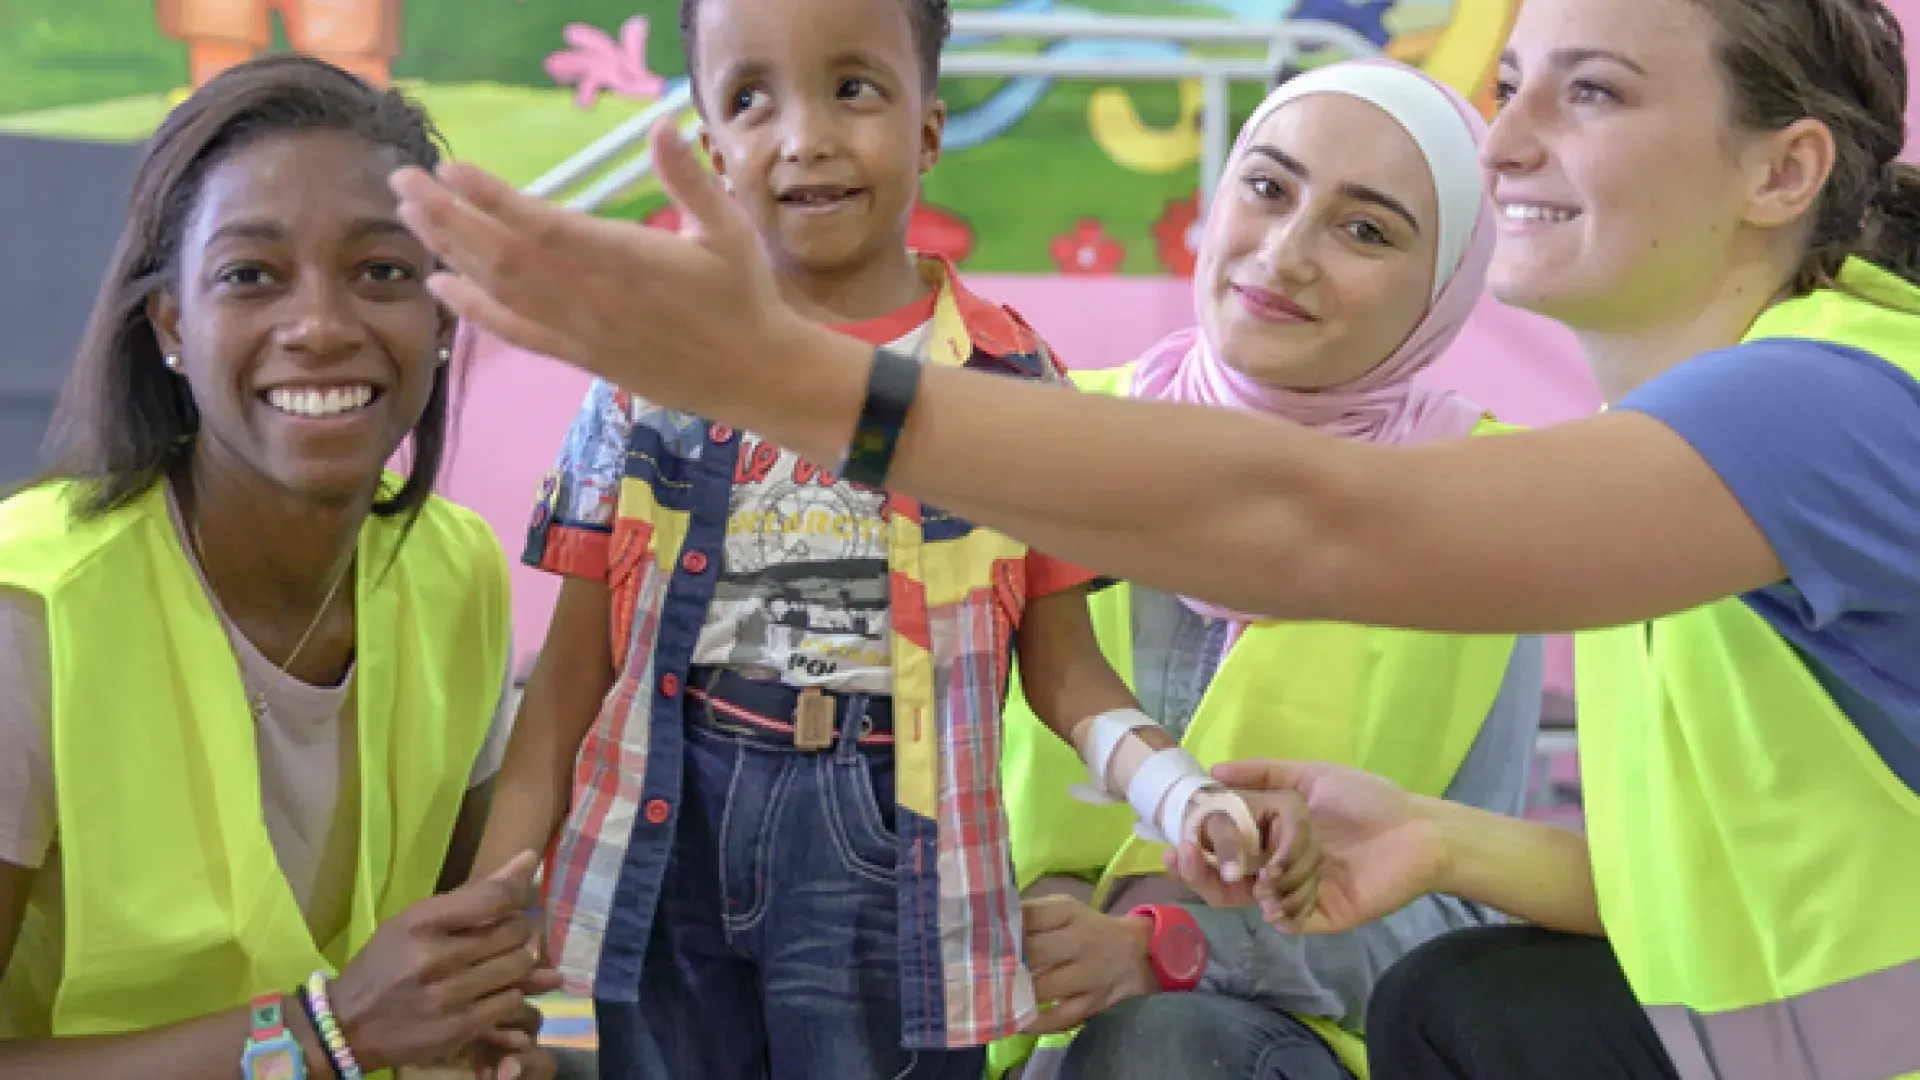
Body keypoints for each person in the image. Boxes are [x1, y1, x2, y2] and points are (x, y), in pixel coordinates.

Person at [390, 0, 1920, 1071]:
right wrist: (1443, 836)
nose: (1504, 132)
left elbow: (1295, 520)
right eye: (1509, 75)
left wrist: (785, 376)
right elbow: (1710, 871)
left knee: (1190, 1041)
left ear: (1783, 170)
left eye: (1589, 90)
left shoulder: (1825, 408)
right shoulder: (1689, 437)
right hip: (894, 939)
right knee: (1473, 1002)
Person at [462, 0, 1270, 1076]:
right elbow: (565, 688)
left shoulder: (1007, 383)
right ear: (711, 148)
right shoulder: (649, 377)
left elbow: (1070, 678)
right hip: (673, 841)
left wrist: (1184, 793)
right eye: (752, 98)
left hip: (893, 853)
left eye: (853, 87)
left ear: (929, 126)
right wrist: (483, 926)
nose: (805, 136)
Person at [0, 56, 561, 1080]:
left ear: (444, 317)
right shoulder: (26, 610)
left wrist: (481, 1028)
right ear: (171, 326)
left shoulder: (458, 573)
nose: (321, 327)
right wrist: (321, 1034)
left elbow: (452, 966)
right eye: (250, 275)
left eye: (383, 271)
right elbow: (362, 1021)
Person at [990, 59, 1544, 1080]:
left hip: (1264, 1044)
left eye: (1366, 229)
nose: (1285, 255)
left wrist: (1176, 950)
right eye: (1268, 188)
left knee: (1160, 1049)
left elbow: (1465, 921)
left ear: (1446, 285)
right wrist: (1032, 925)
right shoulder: (1048, 442)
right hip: (991, 1010)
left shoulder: (1481, 512)